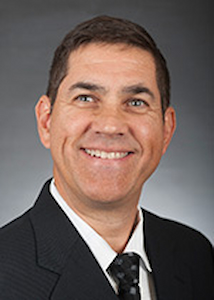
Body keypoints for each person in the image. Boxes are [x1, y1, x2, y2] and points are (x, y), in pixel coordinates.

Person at [0, 15, 213, 300]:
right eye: (86, 98)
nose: (111, 125)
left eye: (136, 102)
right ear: (46, 121)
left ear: (166, 129)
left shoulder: (196, 255)